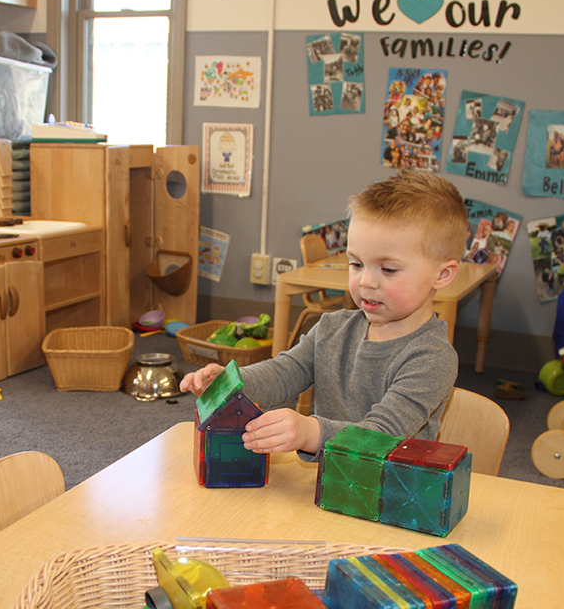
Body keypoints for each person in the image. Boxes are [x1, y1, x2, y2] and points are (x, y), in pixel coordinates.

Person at [181, 171, 468, 458]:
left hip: (394, 494)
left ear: (442, 275)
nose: (366, 281)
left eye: (389, 269)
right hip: (328, 482)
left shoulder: (432, 357)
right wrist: (231, 382)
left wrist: (311, 433)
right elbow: (285, 373)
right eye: (356, 264)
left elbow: (382, 435)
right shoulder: (333, 328)